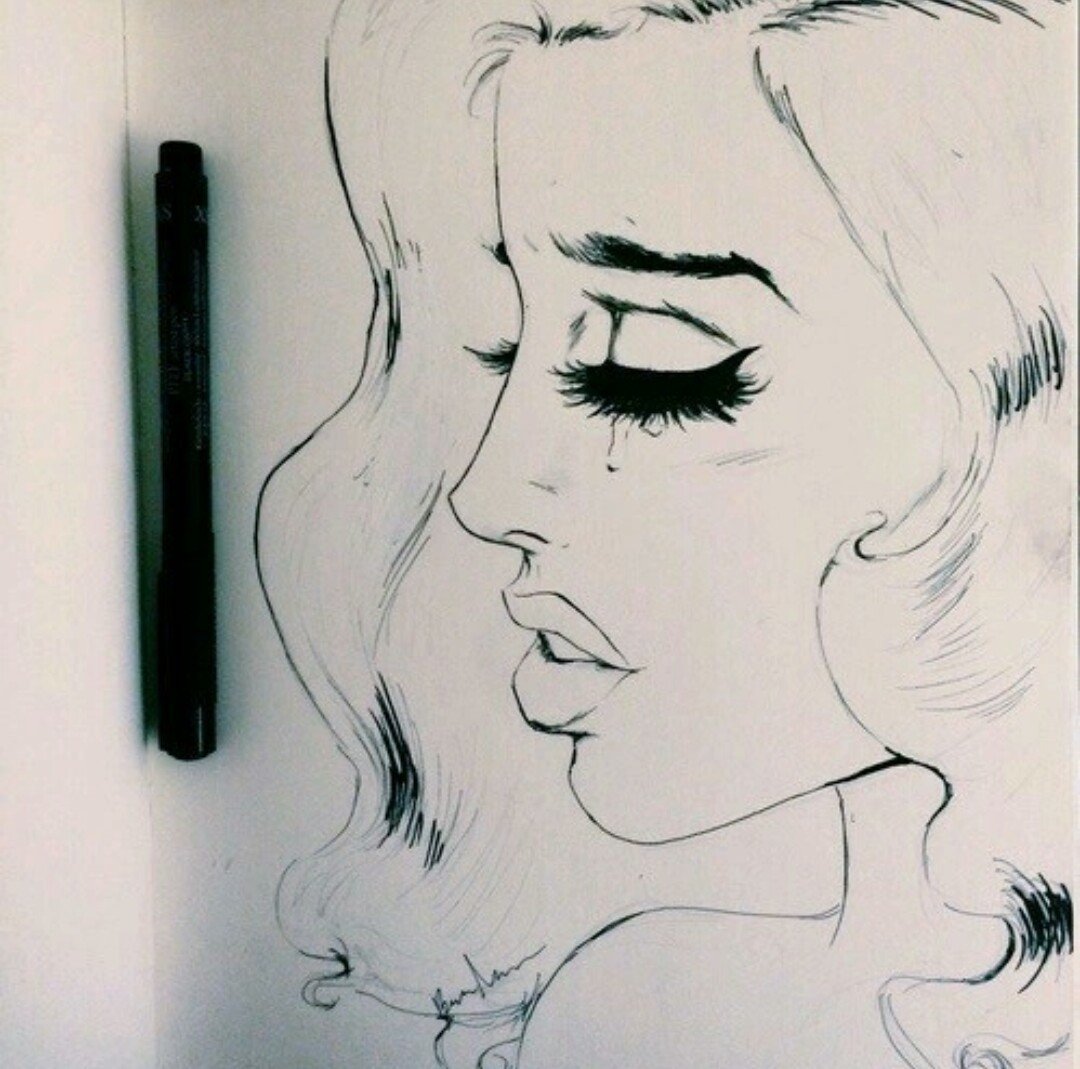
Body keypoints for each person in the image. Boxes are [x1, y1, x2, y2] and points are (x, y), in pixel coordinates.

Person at [257, 0, 1073, 1065]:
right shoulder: (621, 1000)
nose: (485, 494)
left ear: (1015, 399)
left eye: (648, 363)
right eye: (501, 347)